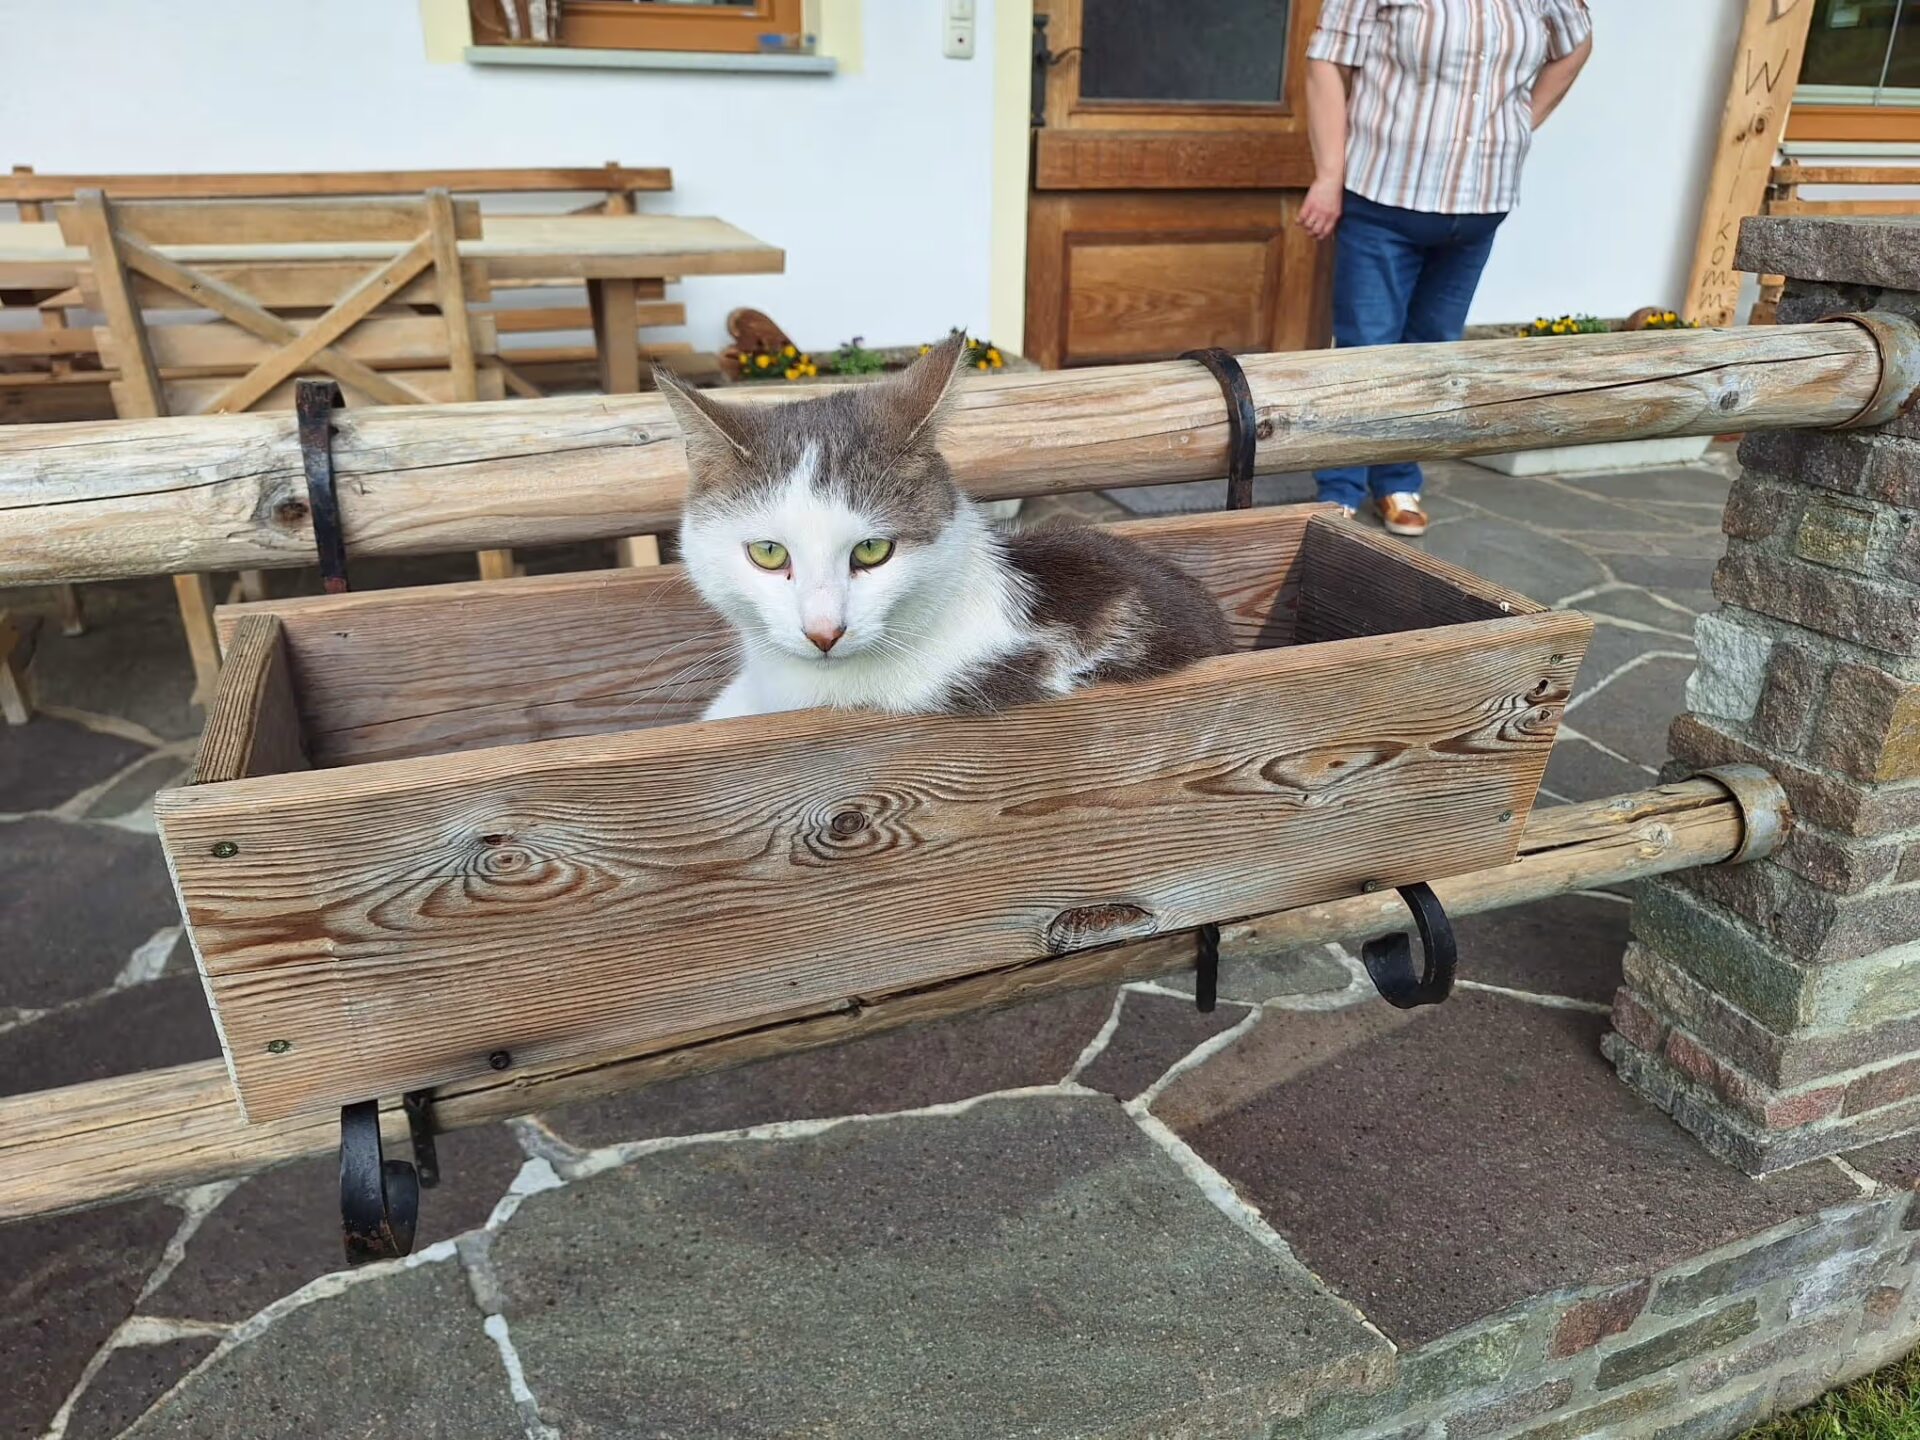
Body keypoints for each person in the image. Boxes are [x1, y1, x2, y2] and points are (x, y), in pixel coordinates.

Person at [1300, 0, 1593, 536]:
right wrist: (1328, 174)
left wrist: (1521, 123)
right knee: (1367, 348)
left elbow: (1575, 45)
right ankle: (1338, 489)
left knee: (1434, 348)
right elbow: (1326, 60)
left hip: (1481, 201)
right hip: (1383, 195)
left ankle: (1396, 479)